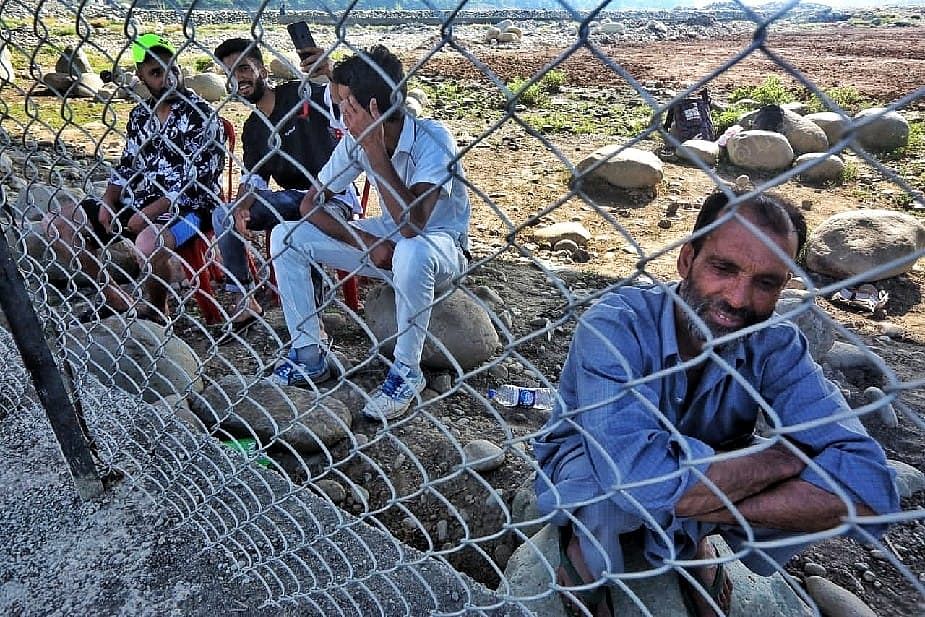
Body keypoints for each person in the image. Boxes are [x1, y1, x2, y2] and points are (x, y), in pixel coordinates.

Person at [533, 190, 899, 617]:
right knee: (607, 496)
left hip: (710, 470)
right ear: (686, 261)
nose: (739, 300)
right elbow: (630, 479)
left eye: (766, 282)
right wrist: (782, 461)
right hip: (592, 460)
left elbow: (873, 490)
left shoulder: (777, 343)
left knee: (647, 488)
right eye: (724, 268)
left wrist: (696, 502)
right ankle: (602, 551)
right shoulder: (615, 324)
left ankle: (693, 528)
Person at [269, 45, 470, 421]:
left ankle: (407, 372)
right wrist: (365, 242)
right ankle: (308, 355)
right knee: (286, 236)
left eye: (347, 103)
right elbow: (310, 203)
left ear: (373, 108)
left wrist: (376, 153)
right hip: (387, 240)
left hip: (441, 248)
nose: (340, 110)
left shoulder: (433, 138)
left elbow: (413, 224)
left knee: (412, 249)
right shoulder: (353, 140)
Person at [43, 33, 225, 323]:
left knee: (147, 244)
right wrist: (108, 199)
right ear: (141, 77)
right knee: (58, 223)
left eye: (172, 69)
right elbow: (127, 163)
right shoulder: (141, 115)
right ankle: (114, 295)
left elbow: (199, 182)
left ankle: (157, 309)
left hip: (188, 207)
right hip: (138, 202)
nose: (168, 78)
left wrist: (148, 213)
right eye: (156, 73)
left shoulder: (200, 114)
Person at [212, 37, 360, 332]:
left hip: (331, 194)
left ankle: (312, 316)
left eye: (244, 68)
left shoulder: (298, 95)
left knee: (301, 224)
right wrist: (241, 208)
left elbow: (338, 98)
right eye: (230, 73)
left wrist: (330, 71)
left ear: (263, 71)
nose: (238, 78)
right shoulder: (254, 128)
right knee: (223, 215)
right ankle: (245, 298)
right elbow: (254, 178)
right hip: (290, 198)